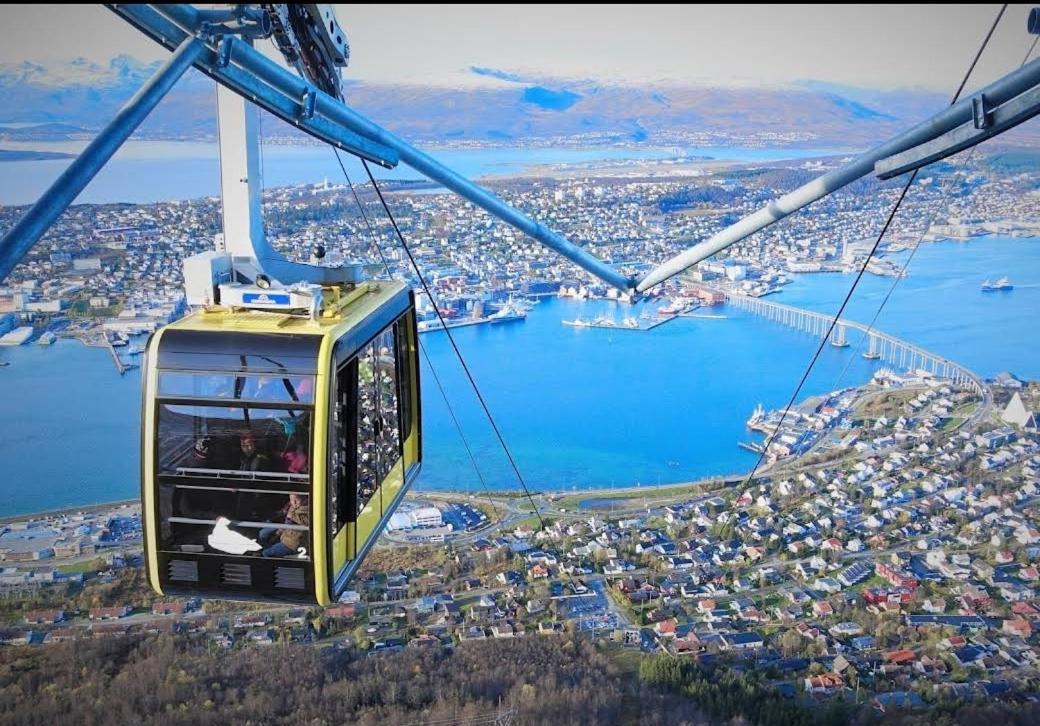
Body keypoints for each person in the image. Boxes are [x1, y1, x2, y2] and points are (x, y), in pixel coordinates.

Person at [259, 493, 309, 558]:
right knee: (264, 536)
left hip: (294, 544)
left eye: (297, 500)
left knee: (266, 553)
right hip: (285, 537)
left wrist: (293, 516)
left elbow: (308, 522)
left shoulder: (309, 509)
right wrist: (277, 534)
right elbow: (286, 524)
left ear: (305, 500)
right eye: (291, 500)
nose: (294, 502)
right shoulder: (292, 507)